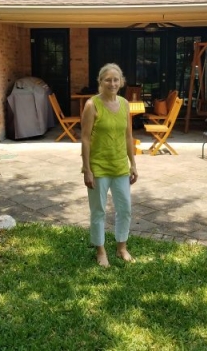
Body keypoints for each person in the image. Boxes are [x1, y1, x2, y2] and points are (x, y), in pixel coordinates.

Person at [81, 63, 139, 267]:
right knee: (99, 211)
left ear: (121, 82)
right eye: (108, 80)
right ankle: (100, 250)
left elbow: (128, 136)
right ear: (101, 82)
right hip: (98, 167)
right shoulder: (92, 105)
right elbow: (86, 139)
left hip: (120, 166)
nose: (112, 83)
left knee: (125, 209)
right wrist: (87, 169)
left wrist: (133, 164)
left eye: (116, 79)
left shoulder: (124, 104)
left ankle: (121, 247)